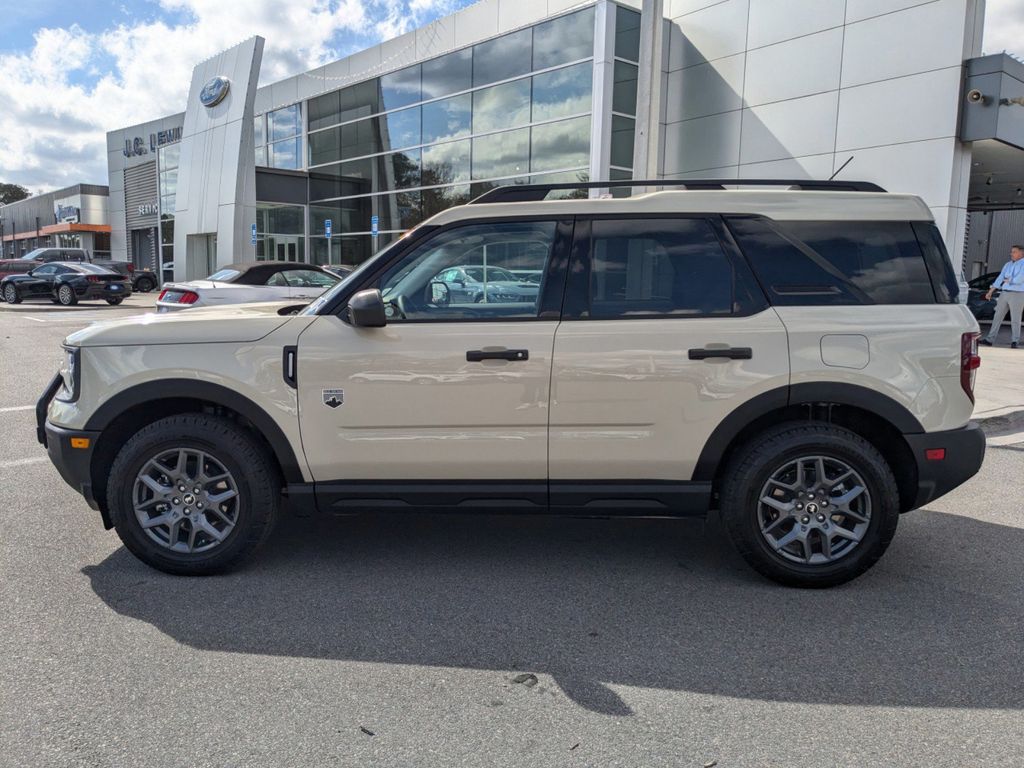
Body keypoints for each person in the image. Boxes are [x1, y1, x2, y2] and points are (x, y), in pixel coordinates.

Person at [981, 244, 1024, 349]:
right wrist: (990, 291)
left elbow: (1020, 279)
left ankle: (1015, 341)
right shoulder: (1008, 264)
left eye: (1014, 252)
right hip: (1004, 293)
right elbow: (1000, 278)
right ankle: (990, 339)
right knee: (997, 316)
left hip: (1018, 294)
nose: (1011, 254)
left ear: (1021, 253)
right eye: (1011, 251)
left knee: (1015, 319)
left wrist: (1009, 280)